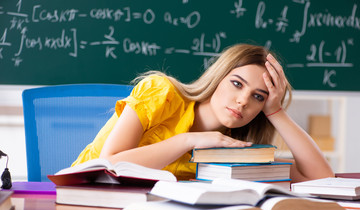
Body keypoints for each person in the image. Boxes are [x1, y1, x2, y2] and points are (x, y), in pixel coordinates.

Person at [72, 44, 334, 182]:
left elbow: (321, 178)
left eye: (258, 97)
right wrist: (189, 140)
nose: (243, 101)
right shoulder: (161, 92)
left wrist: (275, 110)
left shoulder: (233, 147)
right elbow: (110, 164)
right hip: (85, 199)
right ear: (219, 77)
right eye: (237, 83)